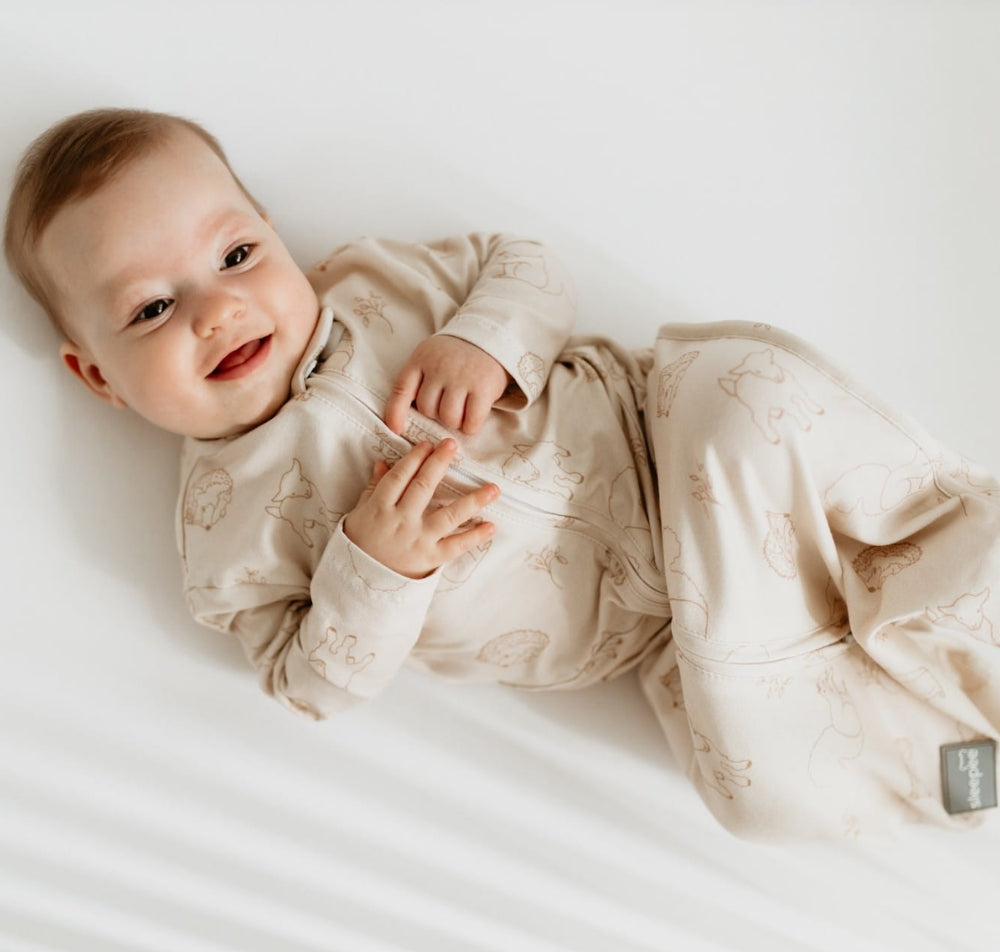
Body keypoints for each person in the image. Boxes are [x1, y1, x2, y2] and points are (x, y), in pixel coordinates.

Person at [5, 108, 999, 841]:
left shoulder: (378, 283)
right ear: (98, 378)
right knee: (761, 791)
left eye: (235, 253)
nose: (216, 311)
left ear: (273, 230)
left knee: (753, 395)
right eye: (151, 310)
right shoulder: (223, 540)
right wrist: (371, 570)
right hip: (668, 633)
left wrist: (483, 340)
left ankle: (970, 568)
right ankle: (973, 772)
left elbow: (523, 263)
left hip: (664, 436)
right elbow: (306, 683)